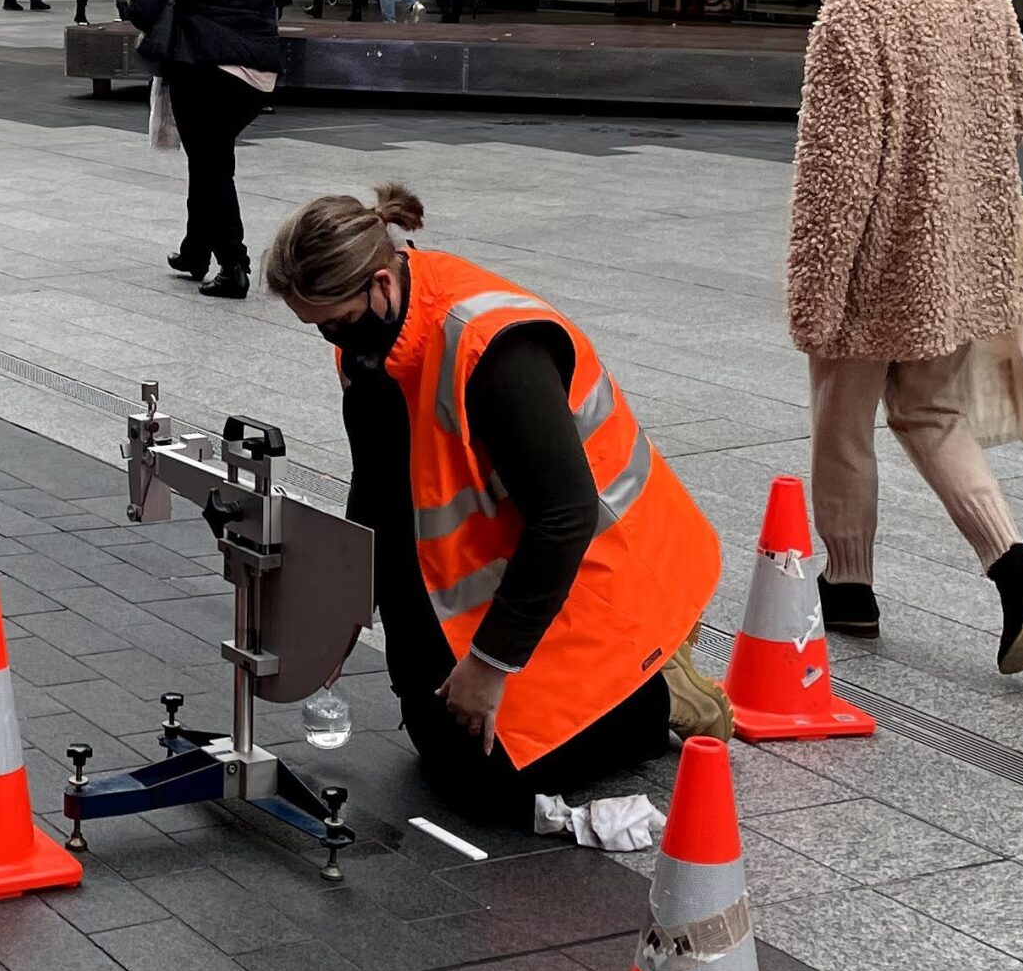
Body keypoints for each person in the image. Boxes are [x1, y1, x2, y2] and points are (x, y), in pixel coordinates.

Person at [263, 188, 733, 829]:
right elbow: (377, 483)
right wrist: (344, 606)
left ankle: (654, 692)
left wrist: (489, 665)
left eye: (334, 321)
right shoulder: (370, 341)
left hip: (601, 572)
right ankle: (560, 690)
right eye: (315, 325)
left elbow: (566, 517)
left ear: (379, 283)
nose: (329, 336)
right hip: (521, 562)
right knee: (440, 743)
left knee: (491, 784)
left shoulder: (491, 348)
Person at [785, 0, 1023, 674]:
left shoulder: (853, 11)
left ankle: (850, 590)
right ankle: (1015, 562)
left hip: (873, 262)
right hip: (959, 254)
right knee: (930, 412)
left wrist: (814, 296)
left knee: (843, 425)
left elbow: (836, 180)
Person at [129, 0, 280, 301]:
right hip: (255, 78)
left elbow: (142, 10)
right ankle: (196, 251)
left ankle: (234, 264)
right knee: (210, 159)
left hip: (202, 72)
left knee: (212, 167)